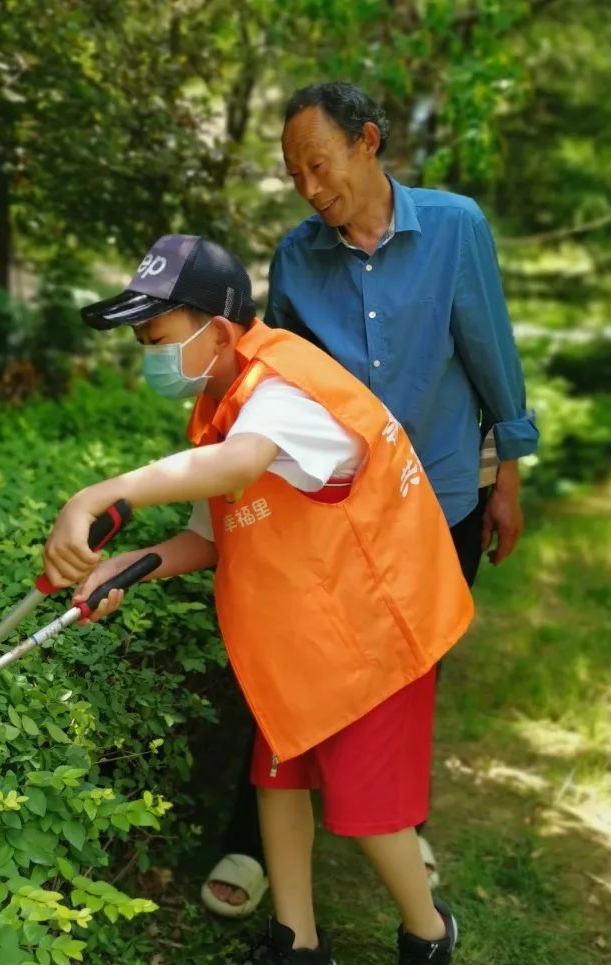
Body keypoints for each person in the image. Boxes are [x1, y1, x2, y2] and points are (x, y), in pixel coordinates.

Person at [43, 233, 473, 965]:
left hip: (374, 634)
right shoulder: (225, 400)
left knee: (372, 814)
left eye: (158, 338)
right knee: (278, 784)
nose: (150, 357)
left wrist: (101, 494)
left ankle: (427, 935)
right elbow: (218, 529)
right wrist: (131, 564)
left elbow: (241, 468)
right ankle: (298, 943)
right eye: (142, 342)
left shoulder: (283, 389)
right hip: (305, 639)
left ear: (222, 327)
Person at [203, 82, 540, 917]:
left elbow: (490, 355)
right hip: (343, 510)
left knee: (413, 665)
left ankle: (402, 819)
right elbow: (273, 375)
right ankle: (253, 835)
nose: (313, 189)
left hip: (448, 490)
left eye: (320, 164)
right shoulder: (296, 257)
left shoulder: (455, 227)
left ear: (368, 142)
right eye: (295, 176)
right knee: (301, 660)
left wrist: (510, 477)